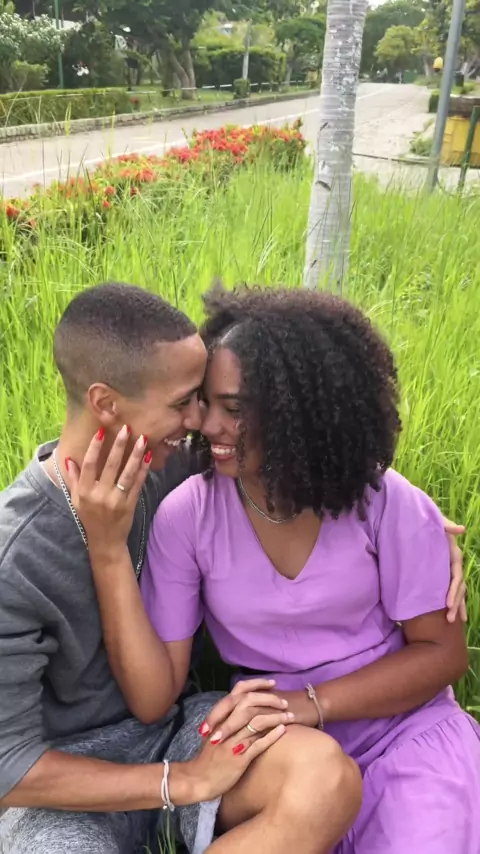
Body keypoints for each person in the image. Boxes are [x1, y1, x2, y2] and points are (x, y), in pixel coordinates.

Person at [69, 285, 473, 854]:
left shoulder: (383, 502)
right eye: (204, 402)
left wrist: (314, 701)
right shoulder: (188, 515)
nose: (207, 424)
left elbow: (443, 654)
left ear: (297, 414)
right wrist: (107, 549)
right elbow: (156, 696)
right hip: (275, 741)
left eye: (234, 410)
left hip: (402, 730)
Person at [0, 282, 359, 854]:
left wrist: (417, 523)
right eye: (182, 403)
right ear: (106, 403)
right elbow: (10, 768)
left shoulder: (170, 466)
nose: (200, 420)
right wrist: (182, 782)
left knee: (326, 779)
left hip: (182, 729)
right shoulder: (16, 552)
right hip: (68, 789)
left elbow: (296, 457)